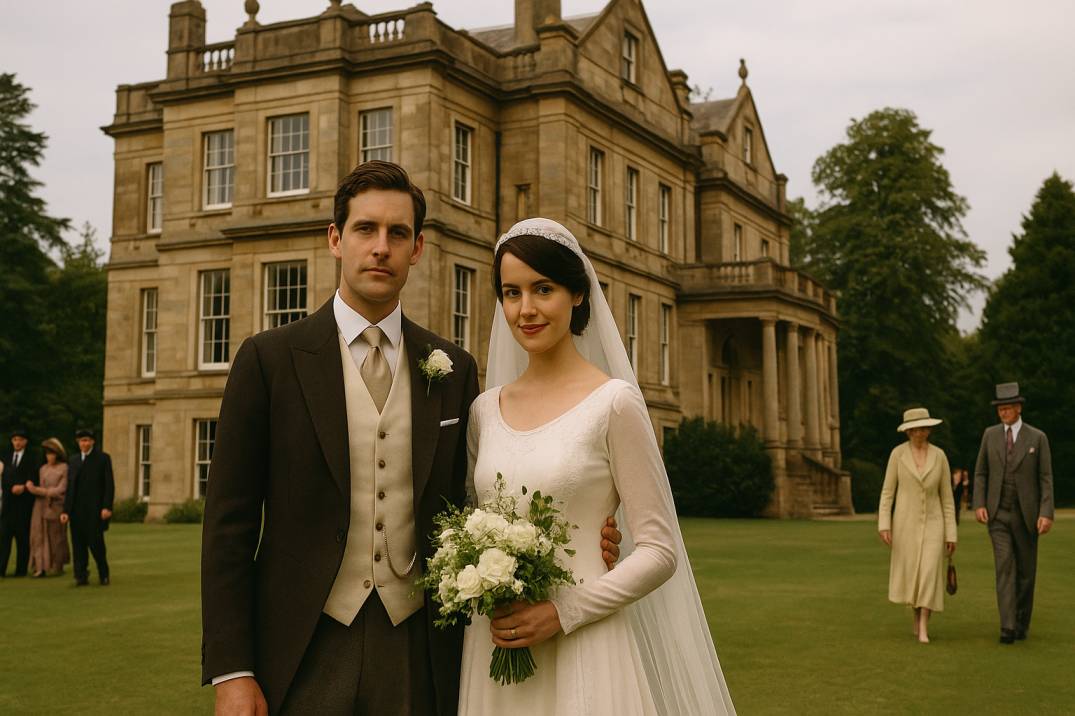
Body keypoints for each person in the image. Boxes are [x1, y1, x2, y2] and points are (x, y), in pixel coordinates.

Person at [200, 163, 621, 715]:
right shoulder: (269, 360)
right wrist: (233, 671)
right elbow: (228, 527)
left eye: (398, 234)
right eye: (365, 230)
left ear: (417, 248)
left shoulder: (453, 370)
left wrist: (586, 532)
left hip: (420, 645)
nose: (381, 247)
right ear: (335, 239)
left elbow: (481, 501)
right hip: (302, 645)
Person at [458, 218, 735, 715]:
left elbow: (659, 550)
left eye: (543, 289)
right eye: (511, 292)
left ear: (578, 295)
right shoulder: (484, 410)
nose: (526, 310)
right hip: (496, 644)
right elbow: (469, 524)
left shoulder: (613, 403)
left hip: (584, 642)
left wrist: (563, 613)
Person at [973, 382, 1054, 644]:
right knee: (1004, 567)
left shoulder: (1037, 438)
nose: (1003, 413)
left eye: (1007, 408)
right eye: (1000, 409)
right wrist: (980, 504)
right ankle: (1007, 626)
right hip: (997, 514)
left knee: (1026, 573)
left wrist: (1046, 512)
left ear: (1018, 408)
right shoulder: (989, 435)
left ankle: (1021, 622)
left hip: (1027, 516)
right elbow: (981, 472)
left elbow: (1045, 479)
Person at [877, 408, 957, 644]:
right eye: (917, 428)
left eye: (925, 428)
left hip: (934, 523)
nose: (922, 432)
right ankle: (916, 617)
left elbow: (948, 498)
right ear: (909, 431)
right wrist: (884, 524)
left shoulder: (939, 456)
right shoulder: (897, 455)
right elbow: (887, 492)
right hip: (905, 523)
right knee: (914, 575)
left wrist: (951, 533)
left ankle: (923, 625)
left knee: (930, 573)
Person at [60, 428, 114, 586]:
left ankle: (103, 573)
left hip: (95, 510)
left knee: (96, 544)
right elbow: (70, 487)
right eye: (81, 441)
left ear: (93, 442)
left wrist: (106, 507)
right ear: (78, 443)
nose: (84, 443)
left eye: (87, 440)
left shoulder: (103, 459)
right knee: (78, 545)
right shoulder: (74, 460)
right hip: (77, 510)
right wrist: (66, 510)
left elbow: (109, 485)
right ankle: (81, 575)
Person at [27, 437, 70, 576]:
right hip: (41, 506)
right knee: (39, 536)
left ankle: (58, 565)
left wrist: (38, 490)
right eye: (47, 454)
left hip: (56, 506)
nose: (49, 457)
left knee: (56, 537)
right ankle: (41, 567)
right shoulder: (43, 469)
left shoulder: (64, 468)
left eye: (51, 453)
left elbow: (61, 490)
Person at [2, 428, 39, 578]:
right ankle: (1, 569)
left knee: (23, 539)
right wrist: (10, 487)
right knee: (4, 538)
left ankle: (21, 570)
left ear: (25, 442)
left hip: (24, 505)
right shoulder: (5, 458)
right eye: (15, 440)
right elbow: (2, 478)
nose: (17, 442)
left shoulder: (32, 459)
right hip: (8, 505)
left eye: (20, 440)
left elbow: (34, 477)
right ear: (12, 441)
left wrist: (23, 487)